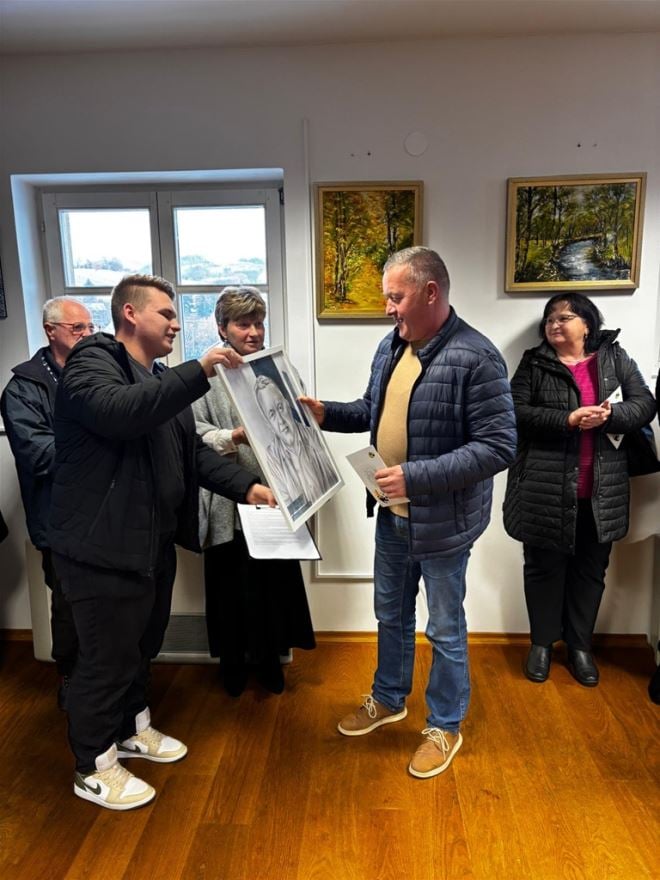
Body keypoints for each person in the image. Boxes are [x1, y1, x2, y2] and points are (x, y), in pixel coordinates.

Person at [47, 274, 275, 811]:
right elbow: (120, 413)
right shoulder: (92, 361)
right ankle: (93, 766)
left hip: (150, 545)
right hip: (100, 548)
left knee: (141, 647)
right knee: (104, 659)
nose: (176, 324)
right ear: (130, 314)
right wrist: (199, 370)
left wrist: (249, 487)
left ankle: (132, 728)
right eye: (166, 314)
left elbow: (191, 454)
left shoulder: (155, 378)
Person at [300, 246, 516, 779]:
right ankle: (388, 698)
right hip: (392, 515)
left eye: (395, 297)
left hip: (444, 525)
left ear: (430, 292)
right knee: (390, 614)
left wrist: (416, 477)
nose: (387, 308)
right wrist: (327, 413)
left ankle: (444, 725)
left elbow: (498, 446)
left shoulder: (477, 357)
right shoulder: (392, 345)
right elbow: (373, 411)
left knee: (444, 627)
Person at [503, 292, 656, 688]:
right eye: (549, 318)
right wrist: (567, 419)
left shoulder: (615, 358)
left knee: (591, 570)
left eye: (564, 317)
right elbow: (514, 412)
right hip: (543, 487)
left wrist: (610, 416)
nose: (554, 324)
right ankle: (541, 644)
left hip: (602, 489)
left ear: (587, 324)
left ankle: (580, 647)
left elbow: (644, 404)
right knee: (542, 568)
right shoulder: (534, 362)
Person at [193, 286, 316, 696]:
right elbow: (193, 433)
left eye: (259, 324)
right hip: (226, 500)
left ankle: (269, 664)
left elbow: (298, 420)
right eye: (243, 324)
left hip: (275, 496)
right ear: (222, 328)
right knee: (228, 588)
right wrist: (233, 436)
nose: (254, 333)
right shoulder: (203, 375)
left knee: (272, 586)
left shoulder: (276, 367)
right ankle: (231, 668)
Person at [0, 297, 95, 706]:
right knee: (69, 607)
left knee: (105, 608)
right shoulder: (23, 388)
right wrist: (96, 442)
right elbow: (38, 455)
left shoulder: (98, 374)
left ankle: (108, 687)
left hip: (103, 515)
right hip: (58, 521)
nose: (87, 335)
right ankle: (71, 682)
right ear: (50, 331)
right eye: (77, 328)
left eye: (90, 327)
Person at [254, 374, 337, 518]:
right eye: (272, 414)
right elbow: (288, 504)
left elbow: (331, 482)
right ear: (268, 423)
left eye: (280, 407)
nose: (280, 420)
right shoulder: (273, 456)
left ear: (288, 405)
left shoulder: (312, 436)